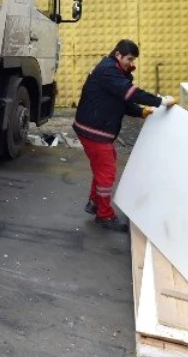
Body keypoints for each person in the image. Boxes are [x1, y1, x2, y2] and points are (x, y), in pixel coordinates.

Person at [73, 40, 173, 232]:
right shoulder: (109, 71)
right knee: (107, 173)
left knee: (105, 166)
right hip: (94, 130)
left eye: (133, 59)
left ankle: (94, 203)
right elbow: (130, 93)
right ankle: (104, 215)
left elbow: (122, 99)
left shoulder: (113, 71)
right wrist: (160, 101)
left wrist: (139, 112)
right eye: (129, 58)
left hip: (92, 128)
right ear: (118, 54)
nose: (131, 62)